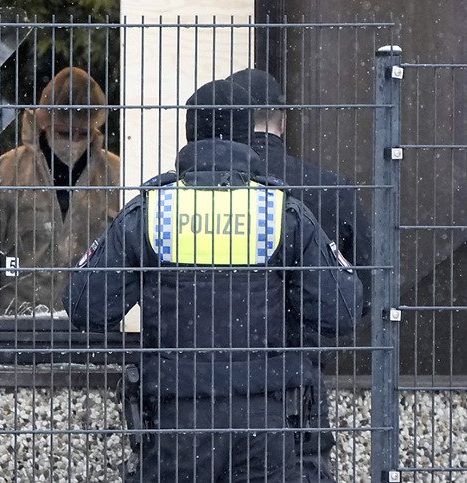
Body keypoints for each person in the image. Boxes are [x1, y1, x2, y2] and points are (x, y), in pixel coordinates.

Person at [65, 79, 363, 482]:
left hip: (176, 422)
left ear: (191, 134)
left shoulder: (154, 209)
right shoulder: (280, 211)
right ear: (247, 134)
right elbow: (341, 311)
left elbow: (87, 305)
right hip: (264, 421)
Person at [227, 68, 372, 482]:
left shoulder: (202, 195)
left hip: (217, 380)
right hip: (300, 377)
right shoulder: (330, 188)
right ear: (283, 120)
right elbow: (368, 287)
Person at [0, 67, 120, 315]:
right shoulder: (4, 174)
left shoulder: (117, 176)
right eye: (63, 133)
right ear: (44, 122)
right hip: (16, 326)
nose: (73, 141)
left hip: (90, 326)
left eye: (83, 133)